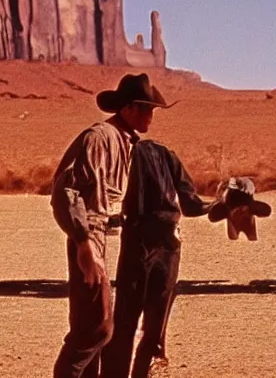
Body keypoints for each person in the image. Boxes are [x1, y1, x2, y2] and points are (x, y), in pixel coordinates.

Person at [101, 143, 269, 378]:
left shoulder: (126, 153)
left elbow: (113, 204)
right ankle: (145, 368)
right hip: (167, 242)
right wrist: (221, 202)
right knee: (153, 322)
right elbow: (191, 205)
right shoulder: (165, 155)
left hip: (140, 241)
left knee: (126, 321)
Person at [51, 73, 172, 378]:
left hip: (111, 234)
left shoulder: (129, 143)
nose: (150, 116)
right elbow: (68, 192)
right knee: (97, 327)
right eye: (145, 109)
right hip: (92, 234)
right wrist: (84, 242)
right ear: (128, 109)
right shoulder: (99, 137)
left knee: (93, 324)